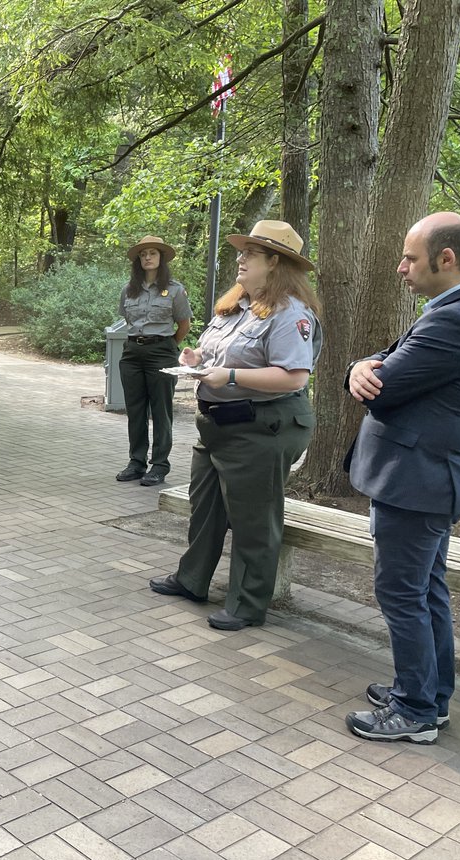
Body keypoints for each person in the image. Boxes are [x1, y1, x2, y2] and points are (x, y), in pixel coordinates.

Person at [343, 213, 460, 744]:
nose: (401, 268)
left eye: (410, 258)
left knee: (402, 593)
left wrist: (362, 373)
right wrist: (363, 363)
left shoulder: (454, 319)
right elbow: (390, 358)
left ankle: (413, 710)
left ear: (446, 259)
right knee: (426, 589)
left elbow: (384, 387)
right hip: (429, 479)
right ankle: (430, 697)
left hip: (417, 482)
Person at [149, 220, 320, 631]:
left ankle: (246, 604)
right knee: (204, 506)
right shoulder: (237, 307)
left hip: (262, 427)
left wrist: (228, 377)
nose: (240, 259)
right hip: (219, 425)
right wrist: (197, 363)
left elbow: (293, 376)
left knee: (253, 518)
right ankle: (192, 581)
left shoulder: (291, 313)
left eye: (250, 254)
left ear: (275, 263)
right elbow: (224, 359)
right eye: (241, 252)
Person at [116, 236, 192, 486]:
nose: (147, 257)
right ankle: (136, 462)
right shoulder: (129, 289)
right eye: (143, 254)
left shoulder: (175, 289)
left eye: (152, 253)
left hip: (161, 352)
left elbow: (183, 324)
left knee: (161, 411)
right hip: (132, 354)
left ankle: (159, 465)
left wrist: (169, 346)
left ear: (161, 258)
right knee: (135, 411)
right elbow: (128, 320)